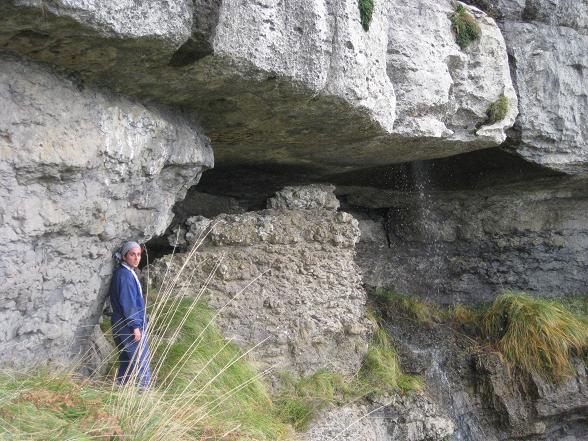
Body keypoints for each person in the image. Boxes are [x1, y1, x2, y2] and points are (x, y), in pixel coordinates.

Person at [110, 241, 151, 389]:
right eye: (132, 254)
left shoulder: (126, 273)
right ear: (124, 256)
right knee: (142, 361)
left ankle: (119, 391)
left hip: (120, 324)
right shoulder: (125, 276)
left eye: (139, 254)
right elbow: (129, 304)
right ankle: (144, 395)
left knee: (127, 362)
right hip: (127, 326)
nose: (136, 258)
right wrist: (136, 326)